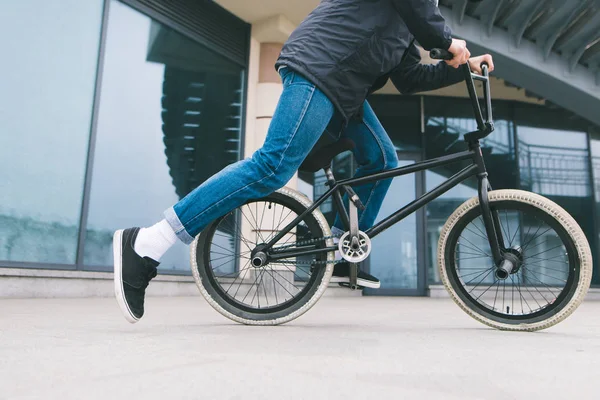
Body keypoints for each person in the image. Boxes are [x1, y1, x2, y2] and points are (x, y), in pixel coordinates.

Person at [113, 0, 494, 323]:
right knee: (271, 166)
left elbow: (409, 76)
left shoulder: (415, 19)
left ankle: (345, 248)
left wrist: (461, 65)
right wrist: (447, 41)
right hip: (320, 68)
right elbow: (426, 19)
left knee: (382, 158)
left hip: (345, 91)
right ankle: (147, 242)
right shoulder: (421, 10)